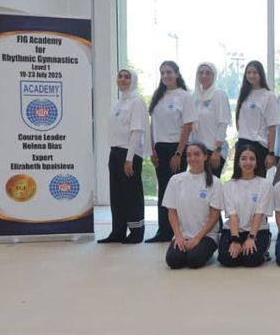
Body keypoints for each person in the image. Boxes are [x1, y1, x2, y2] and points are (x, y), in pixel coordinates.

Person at [147, 60, 198, 243]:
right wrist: (152, 149)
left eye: (169, 72)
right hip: (160, 148)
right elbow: (153, 125)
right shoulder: (158, 96)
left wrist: (178, 153)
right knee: (163, 190)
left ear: (176, 74)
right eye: (162, 73)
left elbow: (187, 126)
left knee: (176, 191)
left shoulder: (184, 96)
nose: (165, 76)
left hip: (176, 148)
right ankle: (163, 230)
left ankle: (177, 230)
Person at [99, 68, 148, 244]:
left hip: (129, 153)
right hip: (115, 152)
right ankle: (117, 231)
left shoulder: (137, 102)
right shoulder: (118, 103)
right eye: (120, 76)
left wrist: (129, 158)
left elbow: (137, 131)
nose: (123, 79)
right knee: (117, 194)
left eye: (127, 77)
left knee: (131, 194)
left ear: (133, 80)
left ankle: (136, 232)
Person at [163, 142, 222, 269]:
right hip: (183, 235)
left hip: (206, 235)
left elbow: (215, 215)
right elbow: (172, 211)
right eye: (189, 155)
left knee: (194, 260)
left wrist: (197, 239)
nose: (192, 158)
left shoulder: (215, 182)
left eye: (197, 154)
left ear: (205, 156)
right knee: (173, 261)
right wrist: (178, 236)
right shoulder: (176, 180)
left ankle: (204, 250)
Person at [218, 145, 274, 268]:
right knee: (227, 260)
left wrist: (251, 238)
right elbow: (232, 215)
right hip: (234, 230)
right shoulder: (228, 186)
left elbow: (259, 214)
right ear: (238, 162)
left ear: (257, 162)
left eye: (252, 159)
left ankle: (263, 252)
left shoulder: (265, 185)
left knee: (251, 260)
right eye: (243, 158)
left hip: (257, 231)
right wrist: (235, 240)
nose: (248, 162)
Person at [235, 60, 279, 179]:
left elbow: (272, 127)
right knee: (239, 180)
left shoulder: (269, 96)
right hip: (242, 143)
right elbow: (239, 118)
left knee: (258, 181)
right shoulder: (244, 93)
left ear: (261, 74)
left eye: (255, 72)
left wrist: (270, 153)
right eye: (248, 72)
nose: (251, 75)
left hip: (259, 145)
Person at [191, 62, 231, 175]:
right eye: (201, 73)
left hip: (213, 150)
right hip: (198, 150)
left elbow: (223, 124)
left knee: (211, 183)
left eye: (208, 73)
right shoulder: (194, 97)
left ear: (214, 76)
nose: (204, 76)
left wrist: (217, 151)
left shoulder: (219, 95)